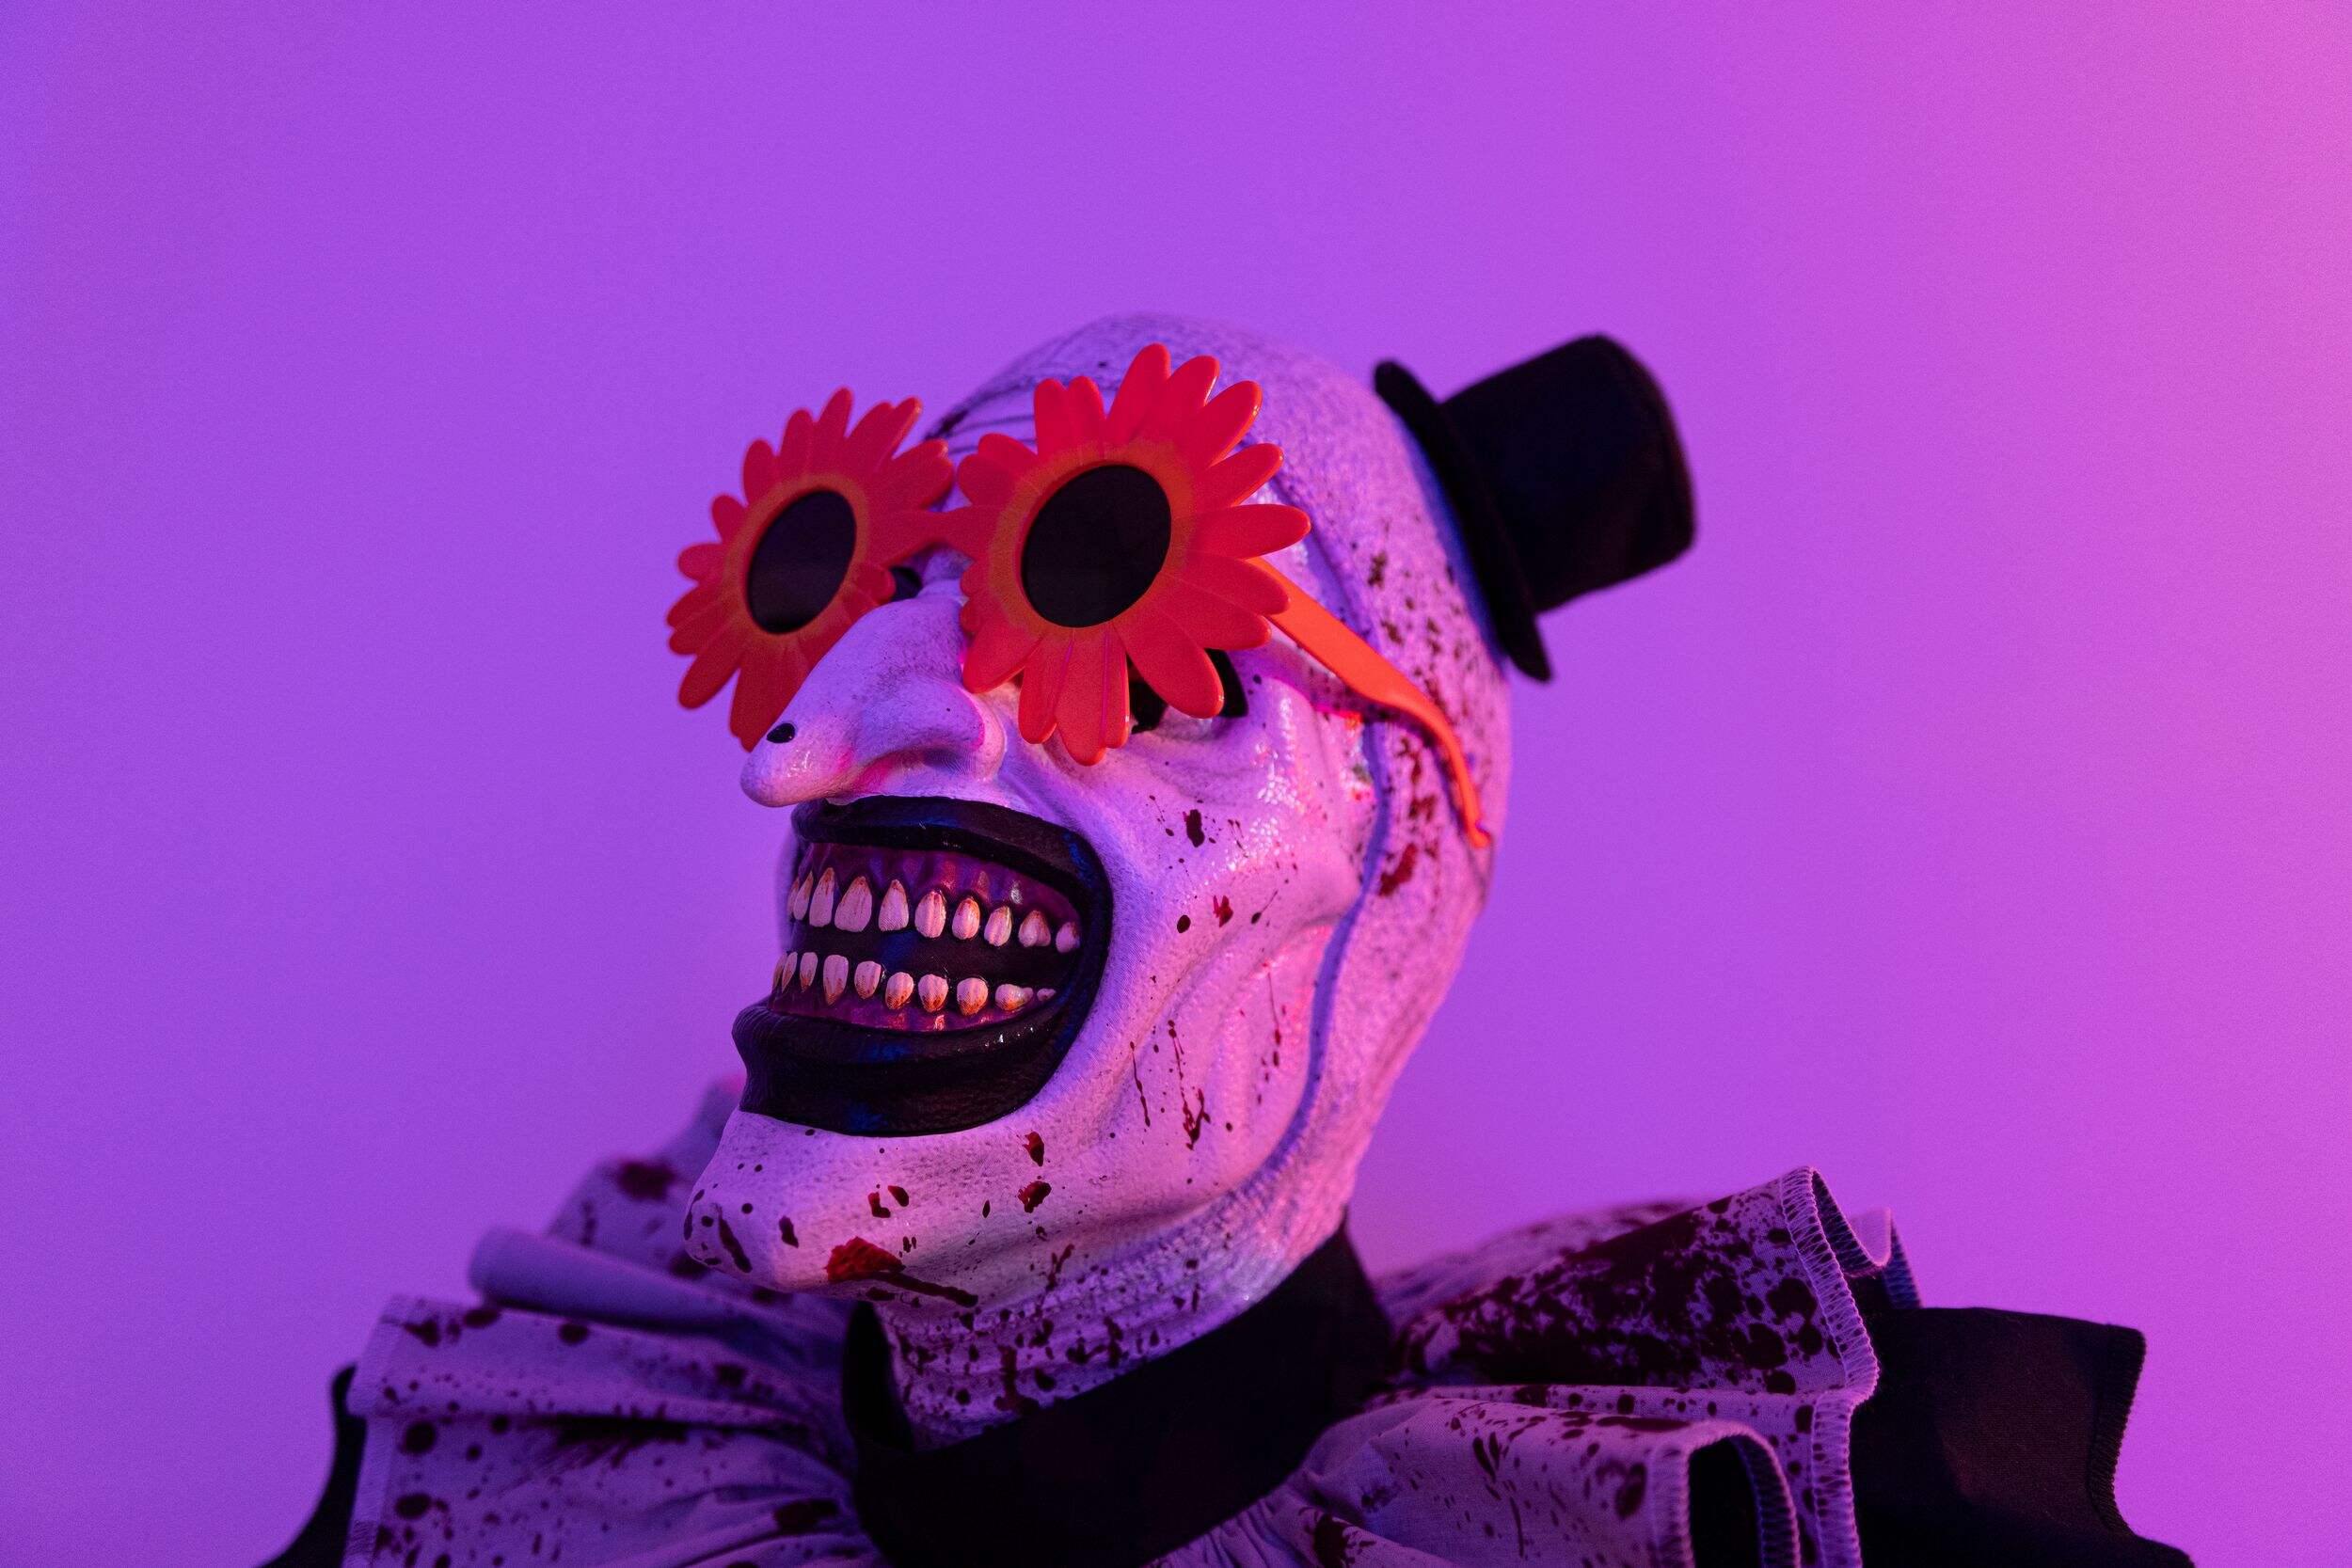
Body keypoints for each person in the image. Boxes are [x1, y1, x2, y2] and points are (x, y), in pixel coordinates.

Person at [269, 315, 2188, 1568]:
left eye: (1147, 660)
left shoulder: (1769, 1520)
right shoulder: (524, 1482)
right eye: (864, 612)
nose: (805, 750)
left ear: (1400, 857)